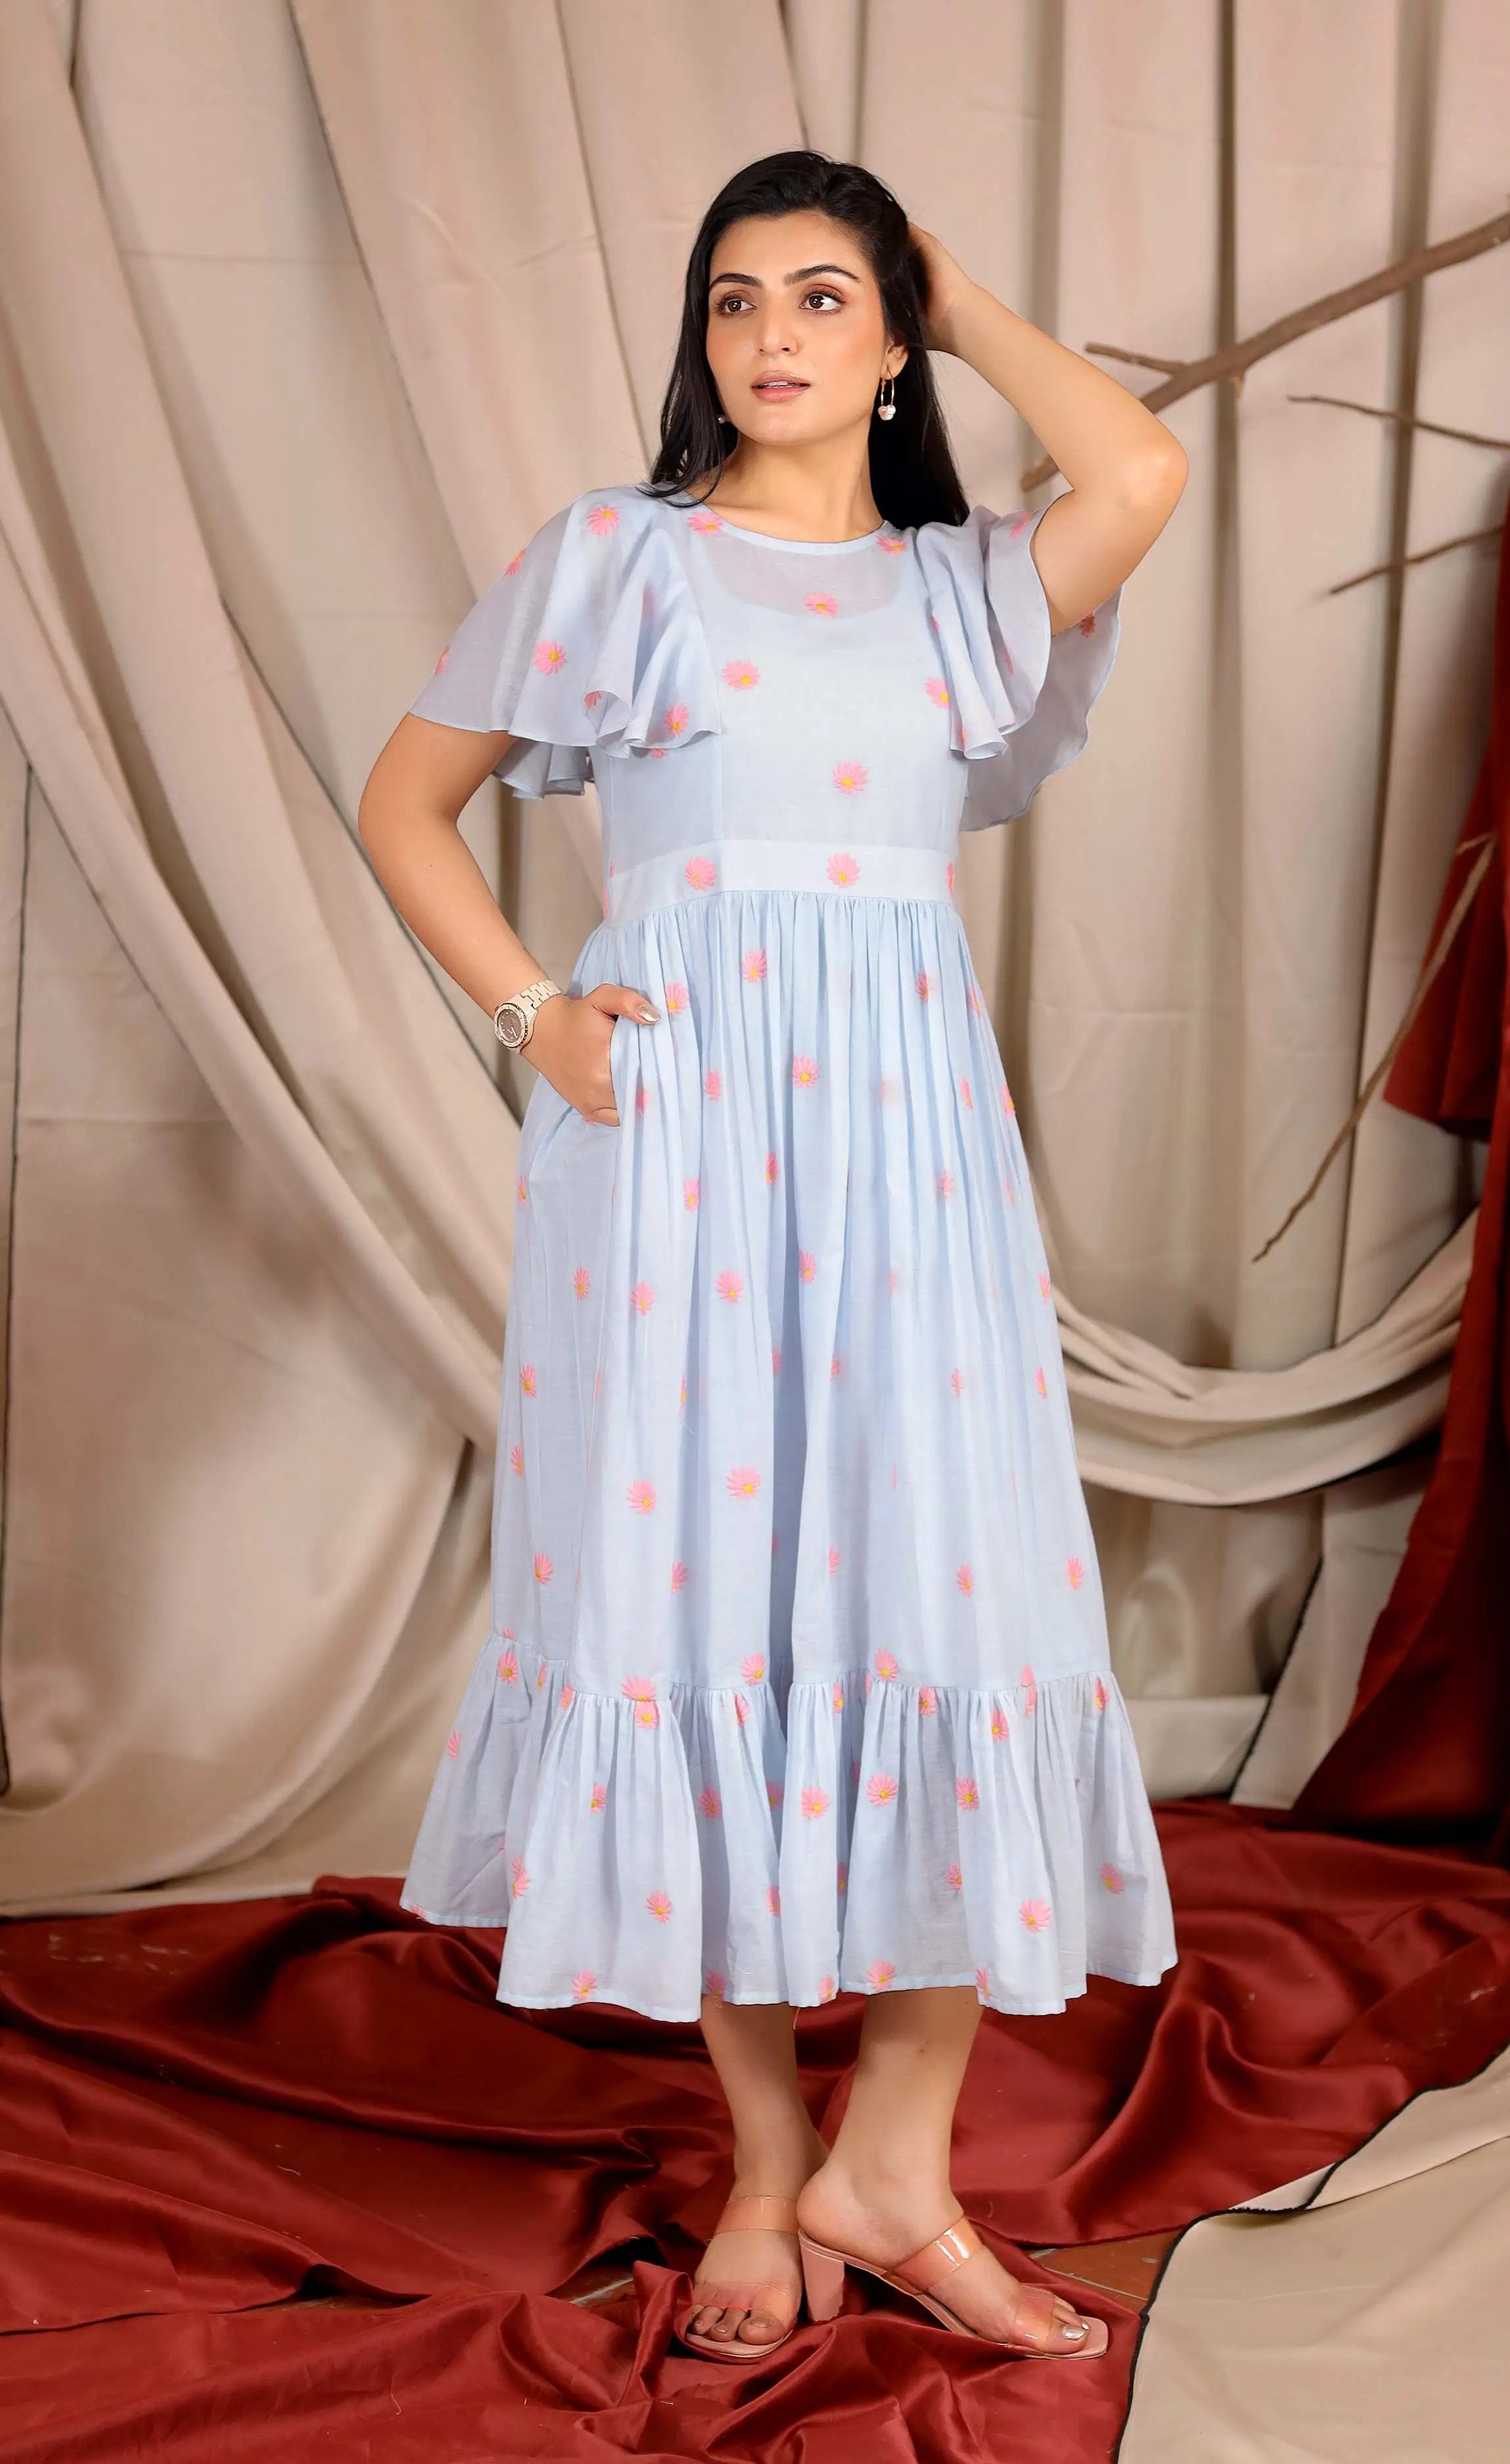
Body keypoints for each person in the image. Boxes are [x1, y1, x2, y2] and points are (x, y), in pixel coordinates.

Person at [358, 149, 1187, 2367]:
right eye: (736, 300)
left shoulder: (960, 590)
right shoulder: (616, 560)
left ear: (891, 335)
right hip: (684, 1140)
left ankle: (892, 2159)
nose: (773, 338)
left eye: (825, 299)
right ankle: (756, 2155)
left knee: (948, 1593)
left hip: (911, 1150)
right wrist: (538, 1015)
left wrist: (954, 280)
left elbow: (1139, 460)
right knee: (698, 1609)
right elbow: (403, 801)